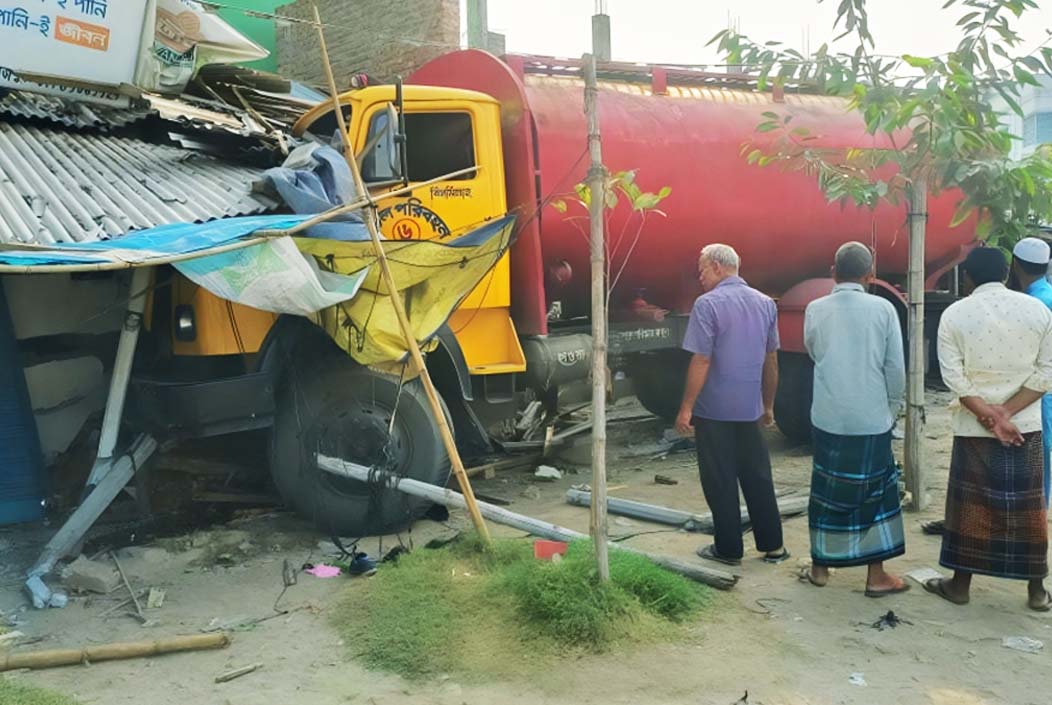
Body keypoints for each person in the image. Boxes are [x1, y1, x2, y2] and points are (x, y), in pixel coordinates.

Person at [928, 247, 1052, 611]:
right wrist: (1007, 413)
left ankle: (960, 585)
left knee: (971, 508)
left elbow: (955, 378)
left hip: (973, 427)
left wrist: (989, 417)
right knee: (1028, 509)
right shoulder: (1038, 311)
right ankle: (1036, 591)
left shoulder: (955, 313)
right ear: (1005, 272)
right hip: (1023, 426)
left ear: (967, 277)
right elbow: (1047, 372)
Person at [797, 243, 909, 596]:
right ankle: (876, 575)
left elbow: (814, 351)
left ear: (833, 271)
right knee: (875, 495)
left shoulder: (815, 308)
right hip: (871, 417)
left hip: (828, 414)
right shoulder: (883, 308)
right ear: (870, 276)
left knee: (826, 492)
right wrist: (891, 409)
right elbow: (895, 368)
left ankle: (820, 566)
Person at [676, 243, 789, 566]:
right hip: (750, 408)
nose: (699, 277)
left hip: (714, 410)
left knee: (720, 477)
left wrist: (686, 408)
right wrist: (768, 405)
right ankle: (773, 546)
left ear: (716, 266)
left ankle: (728, 549)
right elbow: (771, 360)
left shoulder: (707, 305)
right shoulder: (766, 304)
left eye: (701, 270)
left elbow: (701, 360)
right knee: (758, 474)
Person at [1011, 237, 1052, 506]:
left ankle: (1036, 506)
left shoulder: (1030, 304)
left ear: (1015, 265)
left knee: (1036, 447)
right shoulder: (1045, 296)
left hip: (1037, 386)